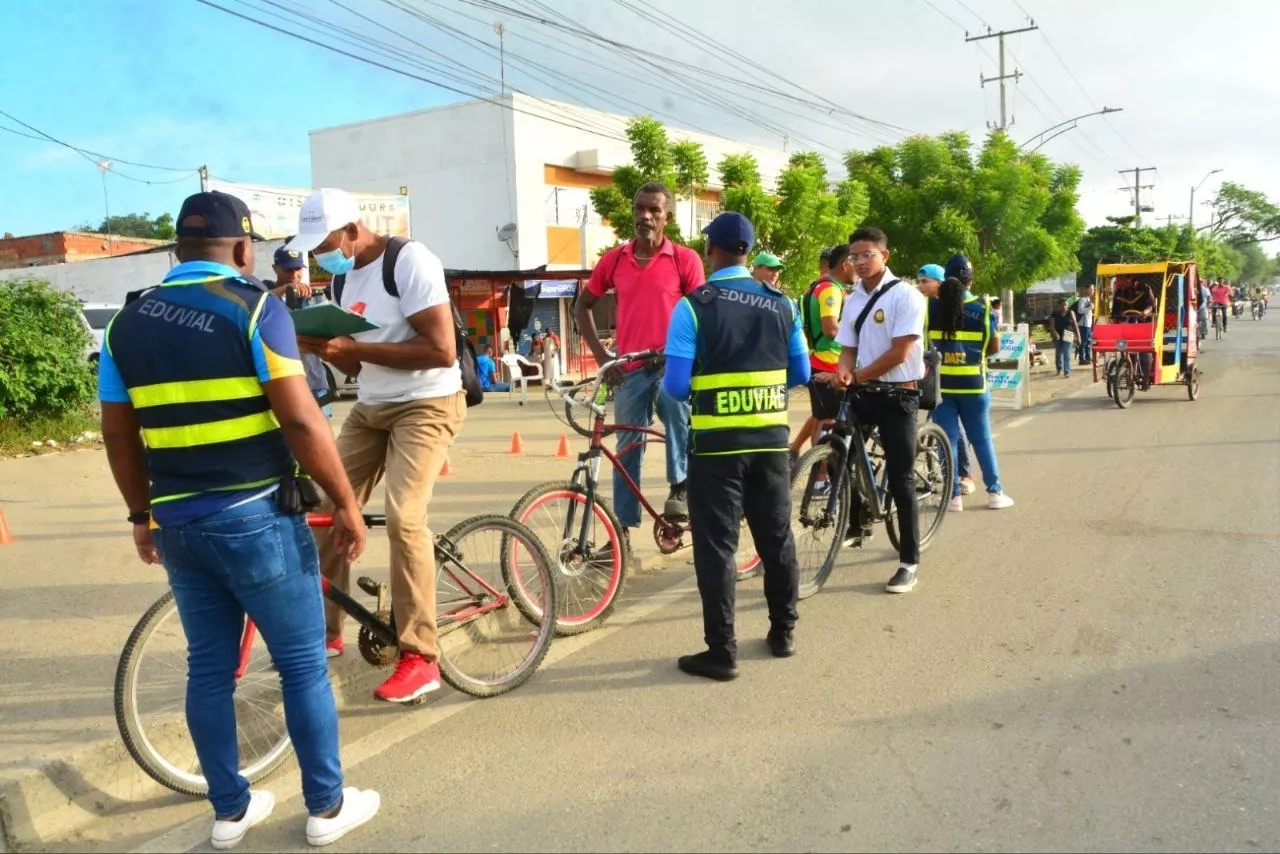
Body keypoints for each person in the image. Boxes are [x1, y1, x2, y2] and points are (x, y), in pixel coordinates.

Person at [97, 191, 379, 849]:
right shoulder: (257, 310)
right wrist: (343, 501)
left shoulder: (124, 325)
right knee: (303, 664)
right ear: (245, 249)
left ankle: (229, 812)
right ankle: (327, 808)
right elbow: (302, 418)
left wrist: (142, 514)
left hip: (180, 528)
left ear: (177, 250)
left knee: (209, 668)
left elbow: (118, 436)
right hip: (256, 516)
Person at [288, 188, 466, 704]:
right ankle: (325, 632)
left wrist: (354, 347)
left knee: (405, 518)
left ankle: (420, 656)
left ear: (350, 230)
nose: (320, 255)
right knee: (324, 505)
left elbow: (440, 349)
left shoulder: (409, 261)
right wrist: (320, 346)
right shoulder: (342, 278)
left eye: (324, 242)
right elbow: (355, 365)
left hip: (428, 403)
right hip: (372, 406)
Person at [662, 211, 807, 681]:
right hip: (770, 444)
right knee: (776, 537)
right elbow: (802, 374)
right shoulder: (783, 305)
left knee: (716, 548)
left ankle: (721, 651)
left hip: (717, 450)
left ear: (712, 250)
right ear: (748, 251)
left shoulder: (693, 307)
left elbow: (677, 388)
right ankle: (783, 632)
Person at [574, 182, 705, 542]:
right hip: (629, 368)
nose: (644, 216)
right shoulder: (614, 260)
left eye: (653, 210)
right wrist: (604, 358)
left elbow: (701, 313)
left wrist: (688, 355)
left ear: (667, 217)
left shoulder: (684, 259)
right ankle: (622, 535)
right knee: (626, 450)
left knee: (671, 400)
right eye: (639, 208)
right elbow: (581, 307)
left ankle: (679, 486)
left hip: (671, 363)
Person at [834, 227, 927, 594]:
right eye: (854, 256)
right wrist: (844, 371)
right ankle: (856, 521)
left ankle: (909, 562)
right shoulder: (853, 298)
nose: (858, 262)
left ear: (884, 256)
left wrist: (855, 374)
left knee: (902, 479)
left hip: (898, 396)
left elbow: (900, 353)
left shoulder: (906, 296)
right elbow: (847, 347)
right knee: (838, 446)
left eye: (866, 254)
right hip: (862, 391)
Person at [927, 257, 1015, 513]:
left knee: (949, 441)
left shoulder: (930, 307)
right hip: (974, 385)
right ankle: (995, 493)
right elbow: (994, 345)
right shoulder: (983, 307)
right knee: (982, 439)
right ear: (970, 281)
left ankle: (953, 497)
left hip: (942, 388)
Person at [790, 245, 851, 467]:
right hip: (828, 361)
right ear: (844, 264)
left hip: (819, 357)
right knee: (827, 422)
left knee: (821, 417)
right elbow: (830, 328)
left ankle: (801, 454)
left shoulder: (815, 288)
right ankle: (821, 474)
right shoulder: (830, 289)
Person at [266, 244, 334, 417]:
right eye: (288, 270)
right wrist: (284, 291)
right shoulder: (266, 295)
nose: (294, 275)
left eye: (298, 270)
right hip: (283, 381)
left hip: (314, 381)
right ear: (275, 268)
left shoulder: (314, 295)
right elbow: (255, 302)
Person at [1049, 298, 1080, 377]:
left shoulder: (1071, 313)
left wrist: (1078, 337)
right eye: (1062, 305)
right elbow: (1051, 326)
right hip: (1058, 336)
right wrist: (1055, 334)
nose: (1064, 307)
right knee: (1058, 354)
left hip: (1068, 334)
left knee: (1066, 353)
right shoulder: (1054, 314)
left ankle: (1066, 371)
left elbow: (1075, 325)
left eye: (1066, 305)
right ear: (1058, 306)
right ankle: (1059, 368)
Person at [1075, 284, 1095, 364]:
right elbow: (1080, 310)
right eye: (1091, 289)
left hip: (1088, 324)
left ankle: (1087, 357)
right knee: (1083, 342)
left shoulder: (1088, 299)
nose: (1092, 291)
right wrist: (1090, 308)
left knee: (1088, 342)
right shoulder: (1082, 299)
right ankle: (1081, 359)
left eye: (1093, 289)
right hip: (1083, 324)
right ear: (1086, 289)